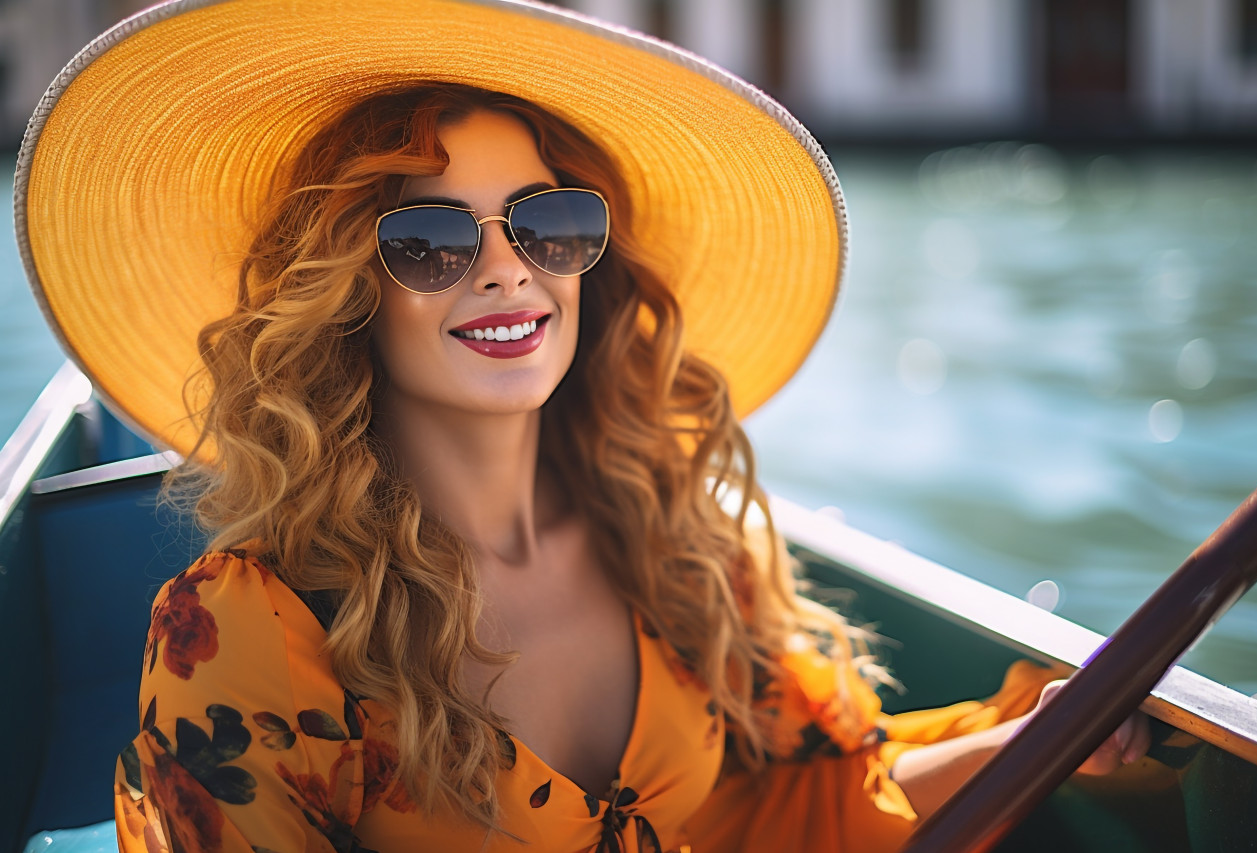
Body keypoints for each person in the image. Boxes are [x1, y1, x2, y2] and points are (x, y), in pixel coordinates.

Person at [16, 2, 1146, 851]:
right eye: (431, 240)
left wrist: (1034, 741)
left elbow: (802, 804)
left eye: (549, 225)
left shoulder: (680, 541)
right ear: (348, 288)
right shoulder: (248, 631)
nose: (508, 273)